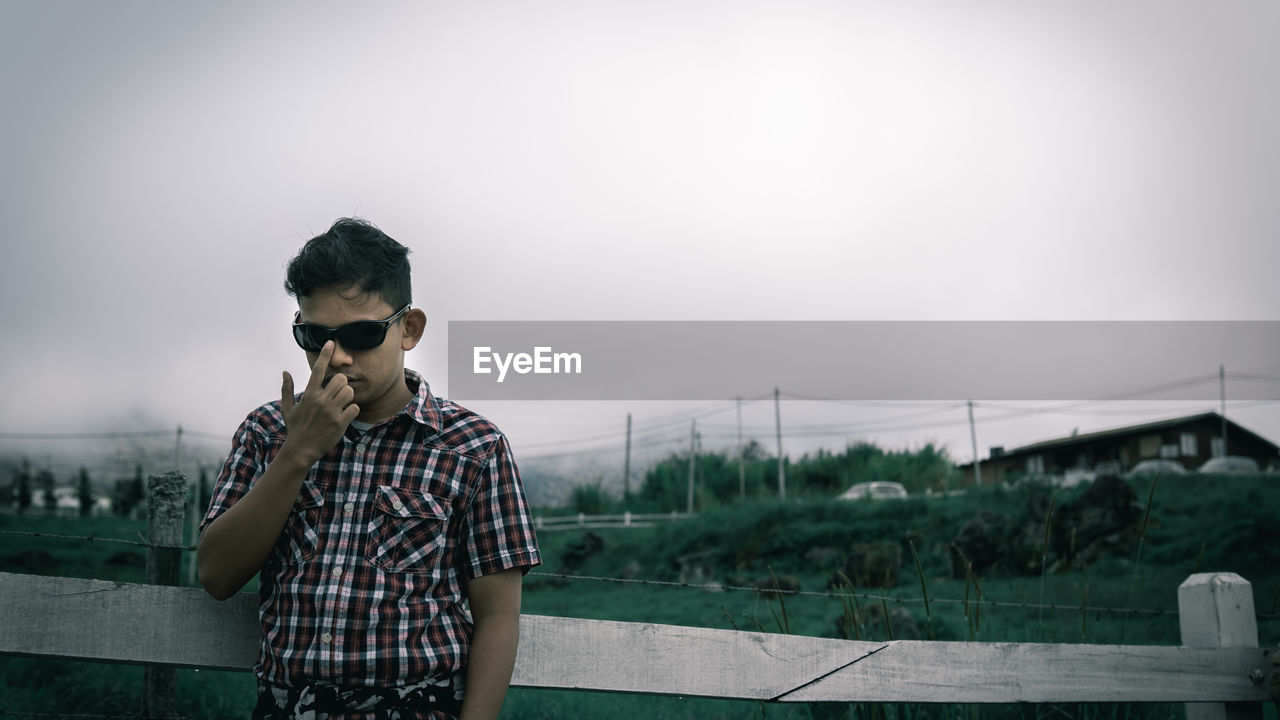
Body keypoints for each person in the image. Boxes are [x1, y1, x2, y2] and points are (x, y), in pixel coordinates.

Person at [197, 218, 541, 720]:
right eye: (314, 336)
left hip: (415, 706)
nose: (336, 357)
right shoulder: (268, 432)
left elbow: (497, 616)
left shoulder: (474, 449)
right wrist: (298, 454)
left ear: (409, 329)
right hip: (286, 707)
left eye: (361, 333)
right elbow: (216, 575)